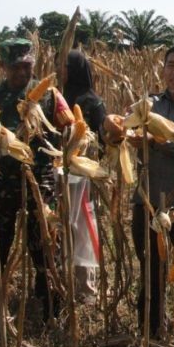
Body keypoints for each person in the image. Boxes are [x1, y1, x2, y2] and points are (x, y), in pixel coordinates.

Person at [103, 45, 174, 340]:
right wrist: (111, 130)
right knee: (151, 271)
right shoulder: (145, 105)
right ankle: (150, 333)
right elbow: (119, 136)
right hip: (148, 202)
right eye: (171, 65)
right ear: (162, 70)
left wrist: (153, 140)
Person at [0, 38, 65, 346]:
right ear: (1, 66)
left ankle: (52, 313)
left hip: (40, 185)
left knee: (47, 250)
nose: (22, 72)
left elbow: (69, 130)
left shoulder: (50, 95)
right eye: (15, 67)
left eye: (27, 66)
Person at [63, 50, 106, 301]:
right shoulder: (55, 97)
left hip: (82, 177)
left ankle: (85, 288)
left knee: (83, 231)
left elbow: (103, 138)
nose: (60, 70)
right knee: (59, 229)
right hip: (56, 176)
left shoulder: (91, 101)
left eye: (64, 66)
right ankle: (60, 283)